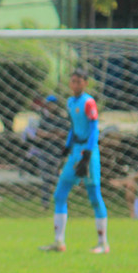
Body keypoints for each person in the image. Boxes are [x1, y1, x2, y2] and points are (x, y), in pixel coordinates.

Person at [39, 68, 109, 254]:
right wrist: (67, 147)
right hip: (75, 152)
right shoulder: (70, 102)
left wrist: (87, 154)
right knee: (59, 194)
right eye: (73, 81)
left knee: (94, 196)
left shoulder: (88, 102)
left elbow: (94, 129)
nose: (75, 84)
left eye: (79, 81)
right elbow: (73, 127)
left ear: (85, 83)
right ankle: (58, 242)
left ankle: (103, 244)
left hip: (89, 152)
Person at [24, 95, 67, 209]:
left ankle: (60, 201)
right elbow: (39, 133)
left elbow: (64, 134)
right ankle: (45, 202)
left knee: (56, 177)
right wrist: (52, 134)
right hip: (44, 150)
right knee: (46, 177)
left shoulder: (61, 119)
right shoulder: (44, 119)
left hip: (57, 151)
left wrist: (50, 135)